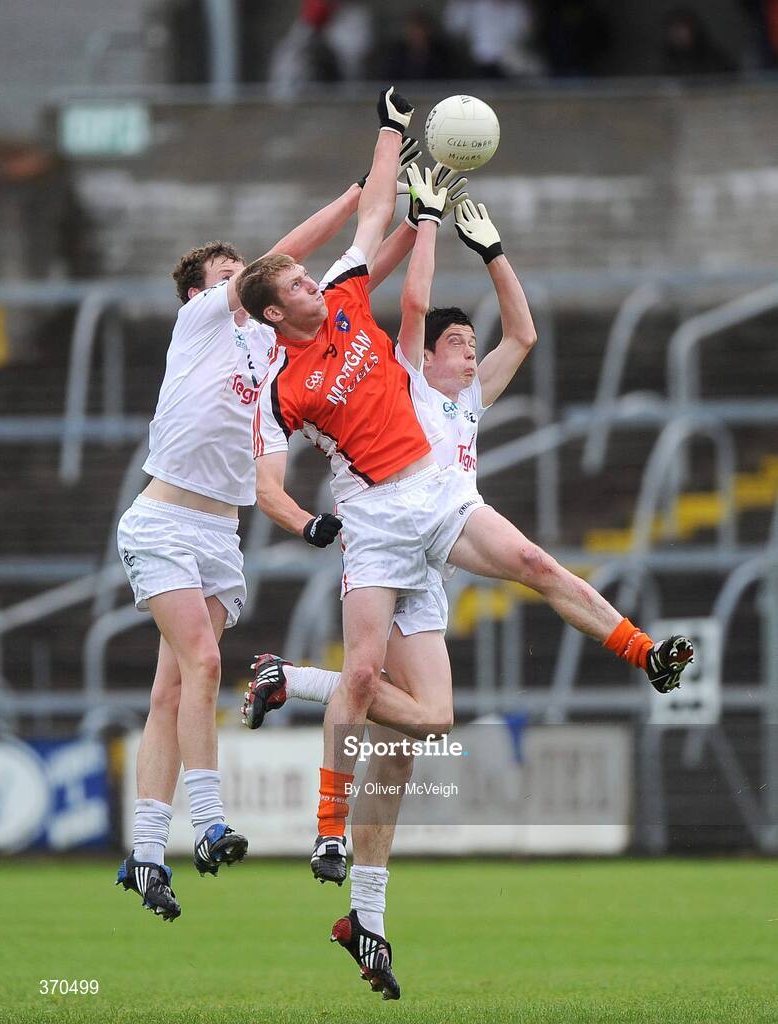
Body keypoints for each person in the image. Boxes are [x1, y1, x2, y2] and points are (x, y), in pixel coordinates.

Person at [243, 131, 694, 990]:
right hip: (376, 522)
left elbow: (379, 223)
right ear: (274, 313)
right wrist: (306, 524)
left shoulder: (352, 305)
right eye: (294, 282)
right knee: (370, 683)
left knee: (505, 603)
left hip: (436, 502)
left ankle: (645, 655)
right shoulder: (284, 388)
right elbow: (267, 481)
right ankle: (331, 830)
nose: (313, 278)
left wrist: (397, 150)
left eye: (309, 275)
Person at [113, 160, 426, 923]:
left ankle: (147, 853)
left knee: (170, 691)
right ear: (202, 293)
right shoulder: (200, 322)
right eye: (229, 273)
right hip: (161, 520)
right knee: (205, 662)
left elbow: (353, 277)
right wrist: (357, 191)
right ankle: (212, 820)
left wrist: (417, 217)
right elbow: (274, 267)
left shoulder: (270, 352)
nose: (245, 280)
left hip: (220, 531)